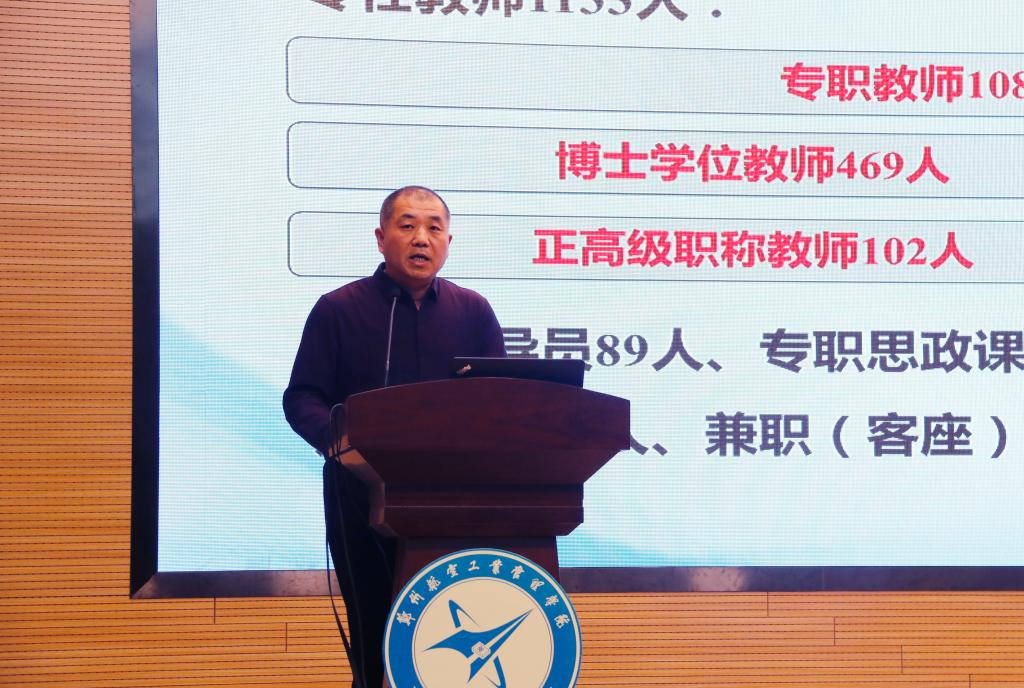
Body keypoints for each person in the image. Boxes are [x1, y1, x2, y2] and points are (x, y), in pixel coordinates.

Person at [282, 186, 506, 688]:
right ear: (381, 238)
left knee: (453, 630)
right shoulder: (339, 309)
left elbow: (501, 402)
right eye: (407, 226)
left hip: (454, 502)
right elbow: (302, 397)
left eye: (433, 227)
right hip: (358, 496)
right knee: (376, 633)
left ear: (449, 241)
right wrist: (340, 444)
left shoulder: (474, 312)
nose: (421, 238)